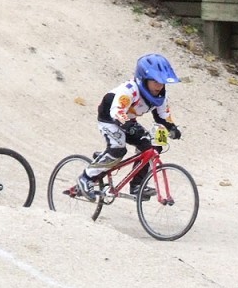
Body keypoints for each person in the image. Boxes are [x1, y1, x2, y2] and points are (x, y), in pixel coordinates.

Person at [77, 53, 182, 201]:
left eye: (162, 82)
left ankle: (137, 185)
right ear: (144, 80)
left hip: (128, 119)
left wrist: (172, 129)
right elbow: (117, 112)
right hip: (109, 116)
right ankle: (86, 178)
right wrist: (128, 126)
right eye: (156, 81)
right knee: (118, 148)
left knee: (151, 147)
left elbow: (162, 116)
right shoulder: (129, 90)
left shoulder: (160, 96)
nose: (159, 86)